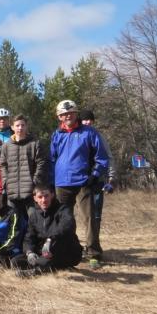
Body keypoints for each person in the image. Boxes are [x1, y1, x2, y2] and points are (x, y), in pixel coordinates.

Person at [50, 100, 109, 268]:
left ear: (76, 114)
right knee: (64, 220)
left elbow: (102, 158)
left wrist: (95, 175)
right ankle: (69, 250)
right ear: (59, 117)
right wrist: (50, 181)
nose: (67, 116)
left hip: (84, 181)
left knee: (89, 217)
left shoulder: (89, 132)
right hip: (62, 183)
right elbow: (52, 159)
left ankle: (93, 253)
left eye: (70, 113)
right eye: (63, 114)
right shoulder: (56, 135)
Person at [13, 184, 82, 275]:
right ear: (35, 198)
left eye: (46, 196)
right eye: (40, 197)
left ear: (52, 195)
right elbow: (29, 237)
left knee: (50, 251)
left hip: (63, 250)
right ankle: (45, 265)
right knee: (15, 261)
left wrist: (50, 239)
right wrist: (29, 252)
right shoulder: (34, 216)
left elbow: (68, 226)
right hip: (43, 252)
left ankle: (36, 271)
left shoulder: (63, 209)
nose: (44, 200)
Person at [0, 114, 49, 230]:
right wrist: (6, 181)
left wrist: (35, 181)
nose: (20, 128)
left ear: (27, 127)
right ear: (12, 127)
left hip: (31, 190)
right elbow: (2, 165)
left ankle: (35, 246)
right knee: (14, 222)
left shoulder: (35, 143)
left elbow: (41, 163)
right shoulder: (6, 146)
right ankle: (16, 247)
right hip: (12, 190)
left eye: (22, 125)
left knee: (34, 219)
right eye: (17, 125)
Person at [80, 109, 117, 259]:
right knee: (82, 217)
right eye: (84, 120)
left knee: (94, 216)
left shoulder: (99, 137)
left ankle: (93, 248)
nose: (87, 122)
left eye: (90, 120)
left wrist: (111, 180)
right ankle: (80, 246)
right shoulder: (76, 136)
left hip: (96, 182)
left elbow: (109, 158)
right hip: (79, 183)